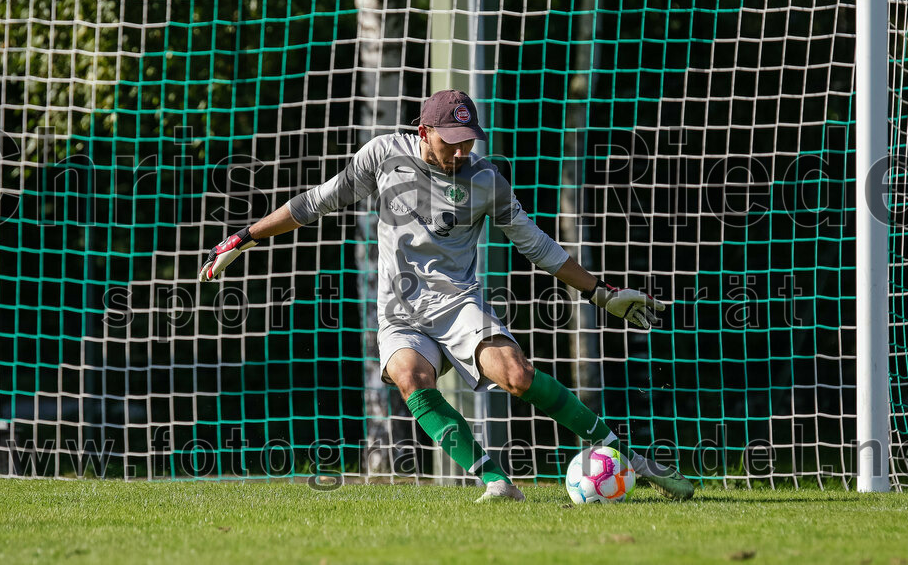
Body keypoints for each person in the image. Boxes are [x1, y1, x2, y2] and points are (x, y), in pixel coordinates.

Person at [200, 89, 694, 502]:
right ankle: (496, 480)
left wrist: (600, 293)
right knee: (410, 377)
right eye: (451, 142)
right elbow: (316, 202)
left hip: (459, 304)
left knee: (517, 376)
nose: (461, 152)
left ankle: (629, 460)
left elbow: (537, 245)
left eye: (468, 141)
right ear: (424, 133)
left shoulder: (486, 181)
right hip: (400, 312)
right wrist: (242, 238)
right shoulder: (382, 155)